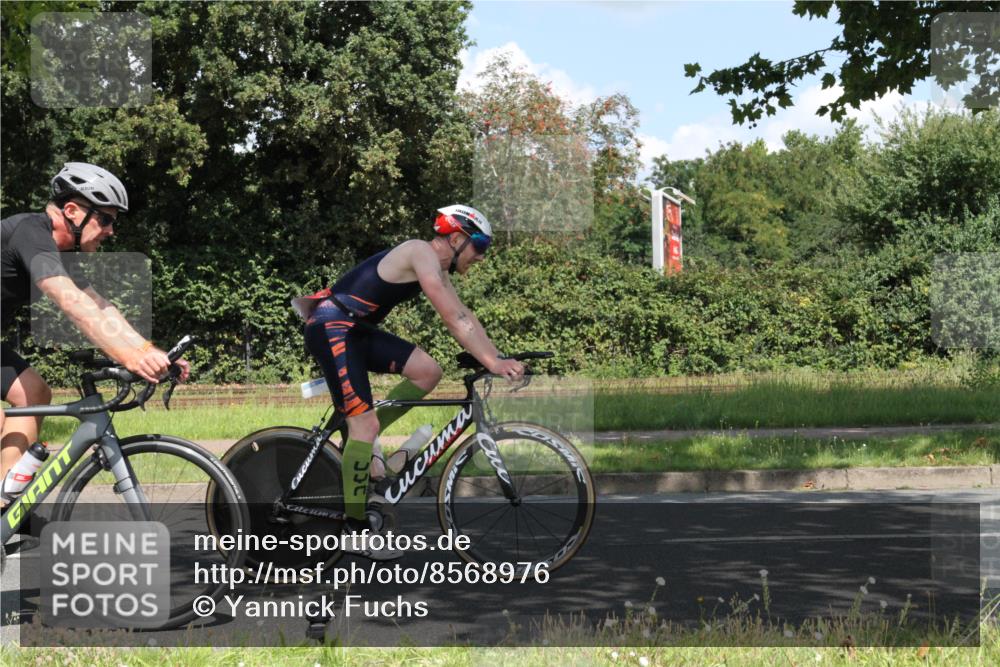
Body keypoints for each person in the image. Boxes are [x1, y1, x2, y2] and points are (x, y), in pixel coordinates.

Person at [294, 204, 524, 560]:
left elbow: (467, 316)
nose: (481, 256)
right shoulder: (420, 252)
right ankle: (356, 531)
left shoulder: (437, 268)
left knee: (427, 371)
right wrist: (493, 361)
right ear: (458, 237)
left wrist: (498, 358)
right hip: (333, 327)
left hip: (355, 329)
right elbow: (453, 318)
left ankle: (364, 444)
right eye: (481, 246)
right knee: (364, 425)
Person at [1, 162, 189, 506]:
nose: (111, 230)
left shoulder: (62, 253)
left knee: (34, 394)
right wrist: (131, 358)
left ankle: (1, 506)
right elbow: (70, 302)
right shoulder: (31, 233)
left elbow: (100, 307)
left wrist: (148, 349)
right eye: (105, 219)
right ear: (71, 210)